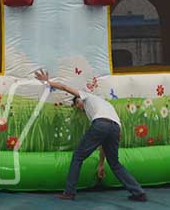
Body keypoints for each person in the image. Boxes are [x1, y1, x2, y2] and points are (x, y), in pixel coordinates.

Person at [34, 69, 146, 202]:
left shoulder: (86, 96)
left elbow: (64, 87)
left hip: (102, 124)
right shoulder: (106, 105)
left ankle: (69, 192)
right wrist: (101, 164)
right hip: (115, 128)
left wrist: (47, 82)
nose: (78, 106)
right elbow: (103, 143)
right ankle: (138, 192)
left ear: (80, 98)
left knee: (78, 156)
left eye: (77, 103)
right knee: (114, 163)